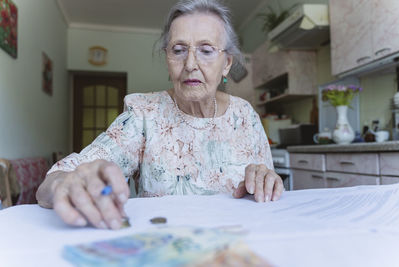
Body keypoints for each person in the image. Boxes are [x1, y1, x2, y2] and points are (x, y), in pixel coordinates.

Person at [36, 0, 284, 230]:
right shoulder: (144, 114)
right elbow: (52, 184)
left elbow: (267, 187)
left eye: (206, 50)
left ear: (227, 63)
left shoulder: (245, 115)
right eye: (178, 50)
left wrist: (265, 182)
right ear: (167, 59)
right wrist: (64, 184)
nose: (190, 64)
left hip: (237, 242)